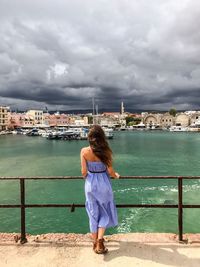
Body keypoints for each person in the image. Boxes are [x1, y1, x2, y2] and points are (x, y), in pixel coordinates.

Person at [80, 125, 120, 254]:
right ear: (102, 137)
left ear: (89, 138)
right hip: (104, 184)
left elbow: (84, 172)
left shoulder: (84, 151)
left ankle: (94, 243)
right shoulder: (106, 151)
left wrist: (89, 178)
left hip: (90, 185)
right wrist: (116, 176)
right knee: (105, 212)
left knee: (93, 213)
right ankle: (100, 240)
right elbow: (111, 171)